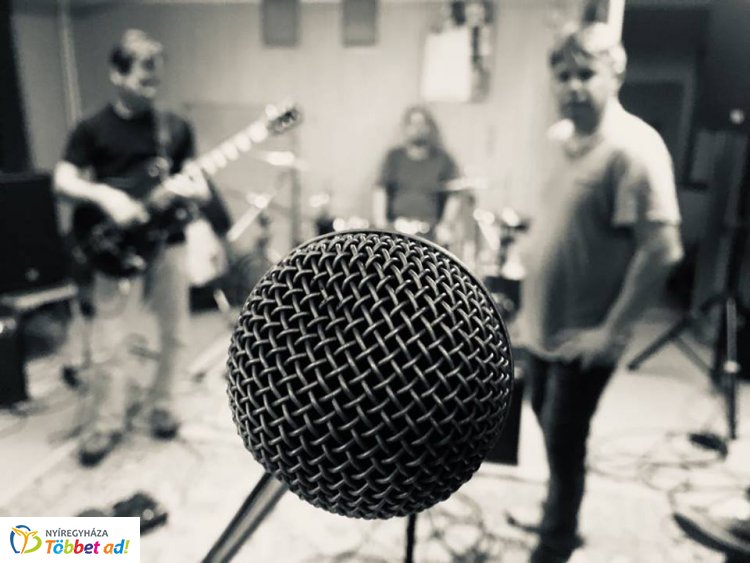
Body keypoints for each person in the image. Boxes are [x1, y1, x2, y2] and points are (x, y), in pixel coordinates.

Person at [515, 23, 684, 562]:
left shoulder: (635, 149)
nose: (572, 86)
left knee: (565, 441)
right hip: (541, 328)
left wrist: (610, 333)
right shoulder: (558, 140)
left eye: (585, 74)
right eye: (562, 74)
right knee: (546, 429)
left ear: (616, 74)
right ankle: (554, 513)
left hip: (583, 338)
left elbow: (662, 250)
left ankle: (557, 539)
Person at [54, 29, 211, 466]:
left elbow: (196, 181)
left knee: (176, 333)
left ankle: (163, 405)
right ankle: (106, 423)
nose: (151, 89)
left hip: (168, 242)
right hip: (114, 246)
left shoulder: (174, 127)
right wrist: (105, 196)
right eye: (143, 80)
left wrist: (196, 190)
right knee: (109, 339)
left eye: (156, 81)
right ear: (117, 74)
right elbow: (63, 180)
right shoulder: (92, 128)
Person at [373, 105, 462, 245]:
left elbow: (454, 195)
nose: (417, 128)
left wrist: (446, 224)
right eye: (413, 123)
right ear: (405, 127)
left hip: (430, 234)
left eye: (422, 123)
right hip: (396, 232)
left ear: (429, 128)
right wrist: (380, 223)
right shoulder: (394, 157)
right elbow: (380, 190)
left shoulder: (443, 160)